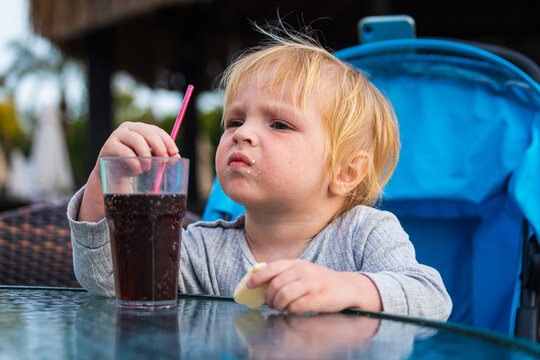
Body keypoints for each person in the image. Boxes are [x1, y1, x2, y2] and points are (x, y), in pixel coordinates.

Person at [68, 27, 452, 320]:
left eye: (280, 125)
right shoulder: (204, 250)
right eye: (234, 120)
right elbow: (107, 282)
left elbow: (431, 297)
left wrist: (349, 287)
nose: (243, 133)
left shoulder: (365, 234)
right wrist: (105, 184)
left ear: (346, 171)